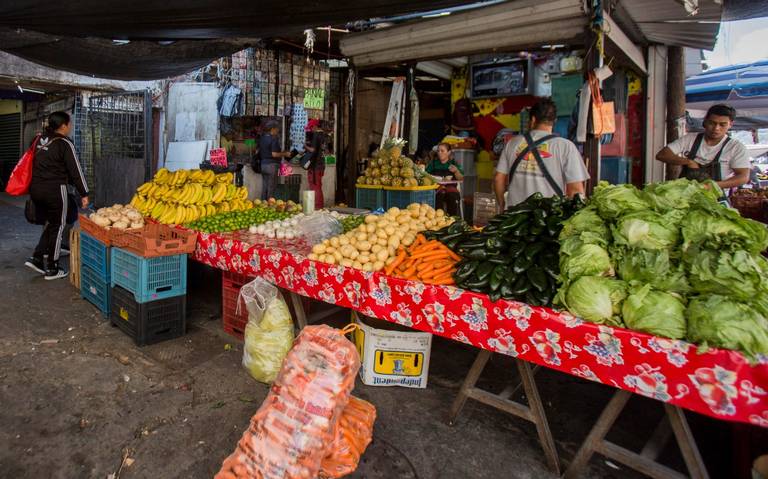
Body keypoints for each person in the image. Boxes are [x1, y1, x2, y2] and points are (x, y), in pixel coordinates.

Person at [25, 111, 89, 280]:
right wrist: (84, 193)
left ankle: (37, 258)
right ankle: (52, 268)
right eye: (69, 123)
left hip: (36, 189)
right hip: (54, 190)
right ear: (63, 126)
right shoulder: (64, 143)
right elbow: (76, 170)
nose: (70, 126)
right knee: (58, 226)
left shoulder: (38, 140)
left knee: (51, 224)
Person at [494, 99, 588, 211]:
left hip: (514, 216)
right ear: (554, 120)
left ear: (533, 119)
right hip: (548, 218)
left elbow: (498, 179)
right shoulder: (566, 147)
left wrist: (502, 205)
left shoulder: (512, 143)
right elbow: (576, 191)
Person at [656, 104, 750, 190]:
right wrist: (688, 162)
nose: (716, 128)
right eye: (712, 123)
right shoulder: (690, 139)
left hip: (716, 196)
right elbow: (662, 155)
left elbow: (743, 177)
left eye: (722, 125)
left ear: (730, 125)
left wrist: (713, 185)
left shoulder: (736, 147)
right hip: (685, 193)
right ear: (705, 121)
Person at [426, 143, 464, 216]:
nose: (439, 153)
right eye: (438, 151)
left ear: (449, 152)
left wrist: (456, 171)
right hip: (437, 189)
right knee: (438, 196)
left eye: (442, 151)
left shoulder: (453, 163)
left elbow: (461, 178)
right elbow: (426, 175)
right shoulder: (433, 163)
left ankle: (452, 219)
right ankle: (439, 219)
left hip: (451, 189)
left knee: (452, 196)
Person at [258, 120, 291, 200]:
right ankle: (270, 203)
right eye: (277, 128)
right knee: (271, 186)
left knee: (265, 186)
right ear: (272, 129)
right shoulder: (273, 139)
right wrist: (285, 154)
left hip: (263, 165)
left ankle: (263, 202)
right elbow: (274, 154)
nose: (278, 130)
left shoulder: (262, 138)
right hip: (271, 166)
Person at [303, 120, 326, 209]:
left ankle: (317, 206)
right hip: (321, 164)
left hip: (315, 165)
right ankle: (319, 205)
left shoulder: (316, 135)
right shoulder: (323, 135)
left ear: (315, 127)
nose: (311, 130)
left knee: (315, 186)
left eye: (311, 127)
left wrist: (305, 146)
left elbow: (312, 150)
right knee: (318, 186)